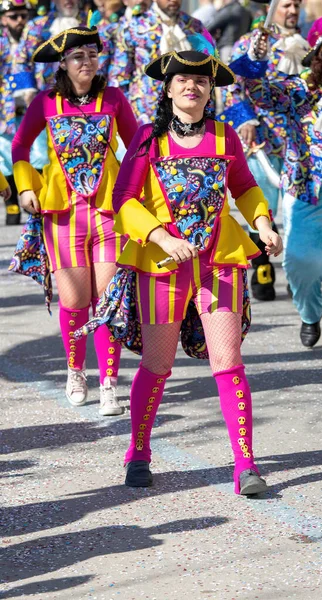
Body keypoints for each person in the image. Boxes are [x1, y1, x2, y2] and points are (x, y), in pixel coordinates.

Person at [108, 46, 282, 494]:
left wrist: (262, 222)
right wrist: (160, 236)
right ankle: (139, 451)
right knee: (158, 363)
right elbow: (123, 199)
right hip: (162, 265)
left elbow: (243, 186)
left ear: (210, 90)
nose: (192, 85)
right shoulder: (148, 138)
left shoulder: (226, 137)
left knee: (228, 363)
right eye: (183, 79)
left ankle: (246, 466)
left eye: (201, 80)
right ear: (167, 89)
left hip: (218, 262)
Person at [229, 16, 322, 354]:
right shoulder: (301, 94)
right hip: (307, 194)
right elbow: (257, 92)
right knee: (302, 262)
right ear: (321, 64)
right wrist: (257, 57)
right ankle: (310, 313)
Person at [11, 26, 138, 414]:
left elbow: (136, 148)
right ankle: (74, 370)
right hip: (64, 215)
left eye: (92, 55)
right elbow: (19, 146)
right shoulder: (45, 103)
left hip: (109, 214)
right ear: (63, 64)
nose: (86, 62)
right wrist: (26, 186)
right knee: (74, 299)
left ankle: (109, 383)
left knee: (108, 301)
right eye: (78, 57)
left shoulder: (114, 98)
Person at [220, 0, 309, 301]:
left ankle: (298, 271)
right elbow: (231, 84)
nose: (293, 10)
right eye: (286, 5)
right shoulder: (251, 41)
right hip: (261, 139)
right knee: (264, 207)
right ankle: (262, 267)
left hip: (299, 141)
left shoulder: (305, 45)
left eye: (296, 5)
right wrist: (244, 118)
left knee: (298, 211)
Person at [108, 0, 214, 124]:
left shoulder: (195, 27)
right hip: (145, 113)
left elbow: (210, 70)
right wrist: (121, 116)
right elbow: (119, 76)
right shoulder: (134, 26)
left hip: (190, 110)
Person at [0, 0, 33, 225]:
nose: (19, 20)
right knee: (4, 158)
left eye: (23, 15)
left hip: (31, 106)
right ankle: (10, 202)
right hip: (5, 109)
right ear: (3, 19)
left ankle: (31, 196)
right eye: (14, 16)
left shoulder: (34, 39)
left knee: (36, 155)